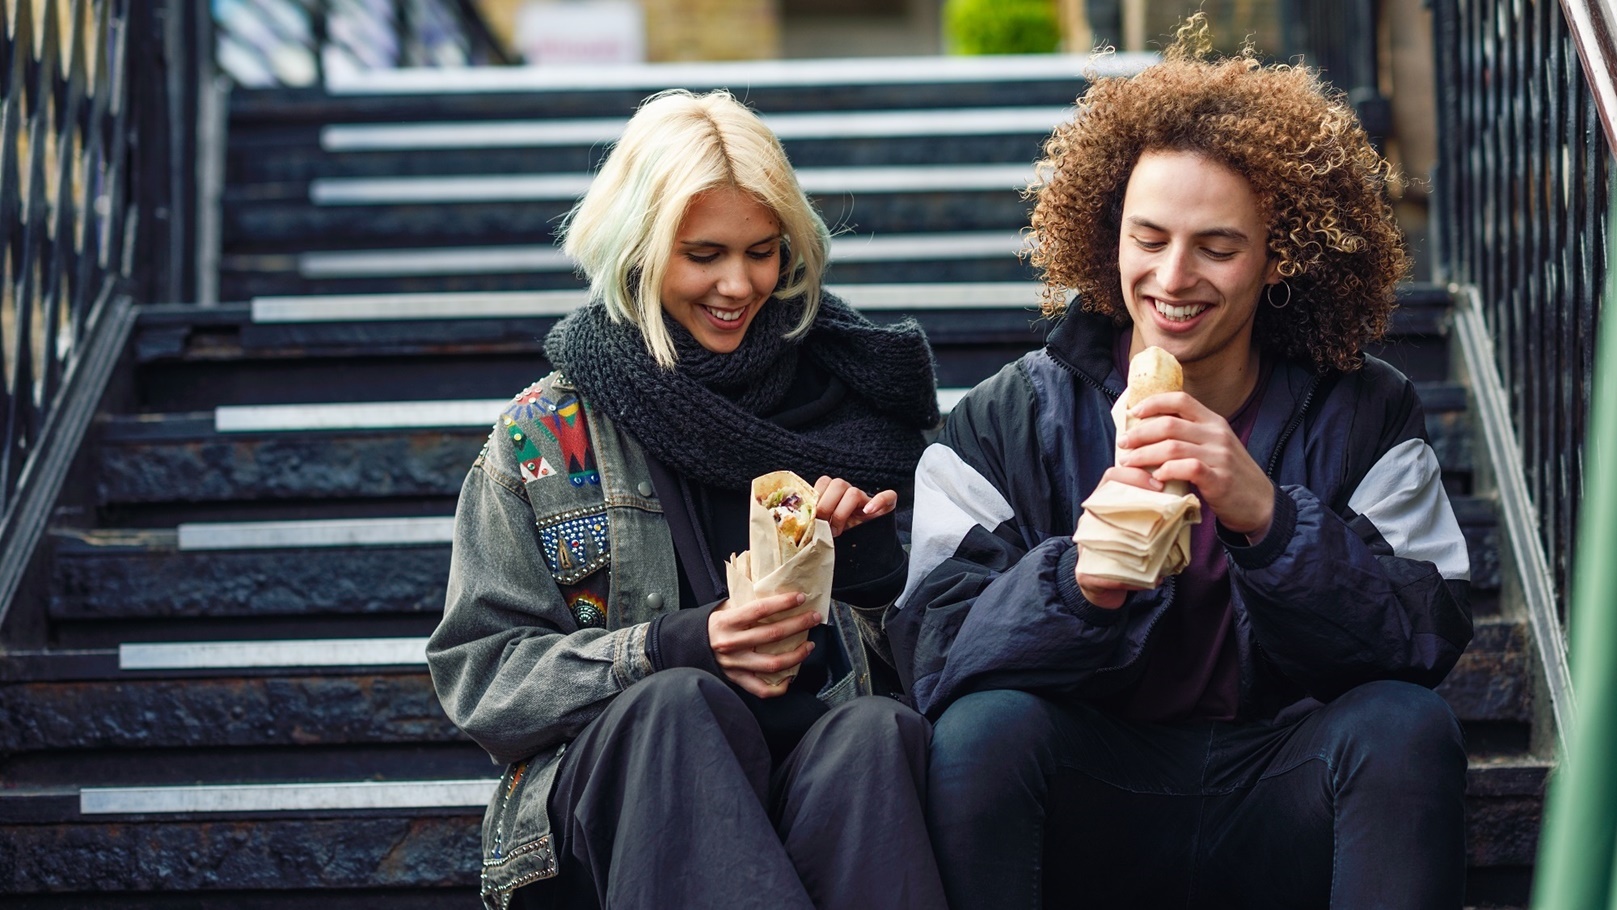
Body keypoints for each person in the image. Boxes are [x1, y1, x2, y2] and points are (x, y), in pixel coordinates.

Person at [888, 18, 1475, 909]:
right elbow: (929, 647)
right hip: (1090, 789)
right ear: (1106, 233)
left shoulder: (1366, 409)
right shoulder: (1010, 414)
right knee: (980, 730)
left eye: (1217, 246)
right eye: (1148, 237)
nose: (1172, 275)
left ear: (1277, 253)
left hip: (1282, 785)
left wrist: (1268, 519)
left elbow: (1424, 629)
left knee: (1405, 728)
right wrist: (1077, 582)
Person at [427, 89, 947, 910]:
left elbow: (951, 653)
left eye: (762, 252)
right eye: (702, 254)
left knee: (877, 733)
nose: (738, 285)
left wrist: (864, 565)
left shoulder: (855, 415)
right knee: (680, 705)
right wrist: (671, 647)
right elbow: (482, 679)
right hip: (613, 815)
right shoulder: (544, 437)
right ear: (636, 246)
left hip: (817, 782)